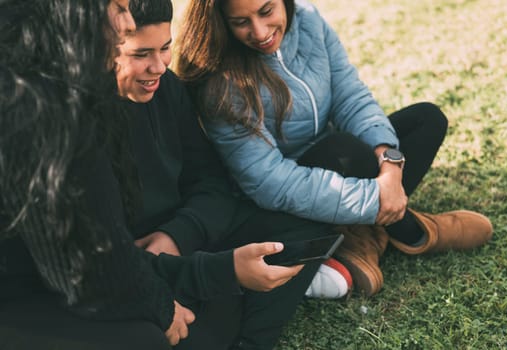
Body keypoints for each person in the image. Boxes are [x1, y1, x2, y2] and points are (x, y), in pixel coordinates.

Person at [0, 0, 328, 349]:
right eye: (140, 53)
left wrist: (179, 235)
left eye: (166, 48)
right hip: (121, 270)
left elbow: (210, 181)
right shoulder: (55, 118)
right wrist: (212, 274)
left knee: (295, 225)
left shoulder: (165, 88)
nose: (157, 66)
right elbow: (94, 265)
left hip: (169, 247)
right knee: (164, 332)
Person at [175, 0, 494, 297]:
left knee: (426, 120)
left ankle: (364, 237)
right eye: (240, 22)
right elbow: (271, 183)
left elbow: (350, 96)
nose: (259, 32)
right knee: (347, 150)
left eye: (266, 11)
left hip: (337, 160)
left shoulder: (309, 20)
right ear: (220, 22)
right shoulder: (219, 81)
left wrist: (390, 165)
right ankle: (412, 232)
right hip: (280, 199)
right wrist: (374, 199)